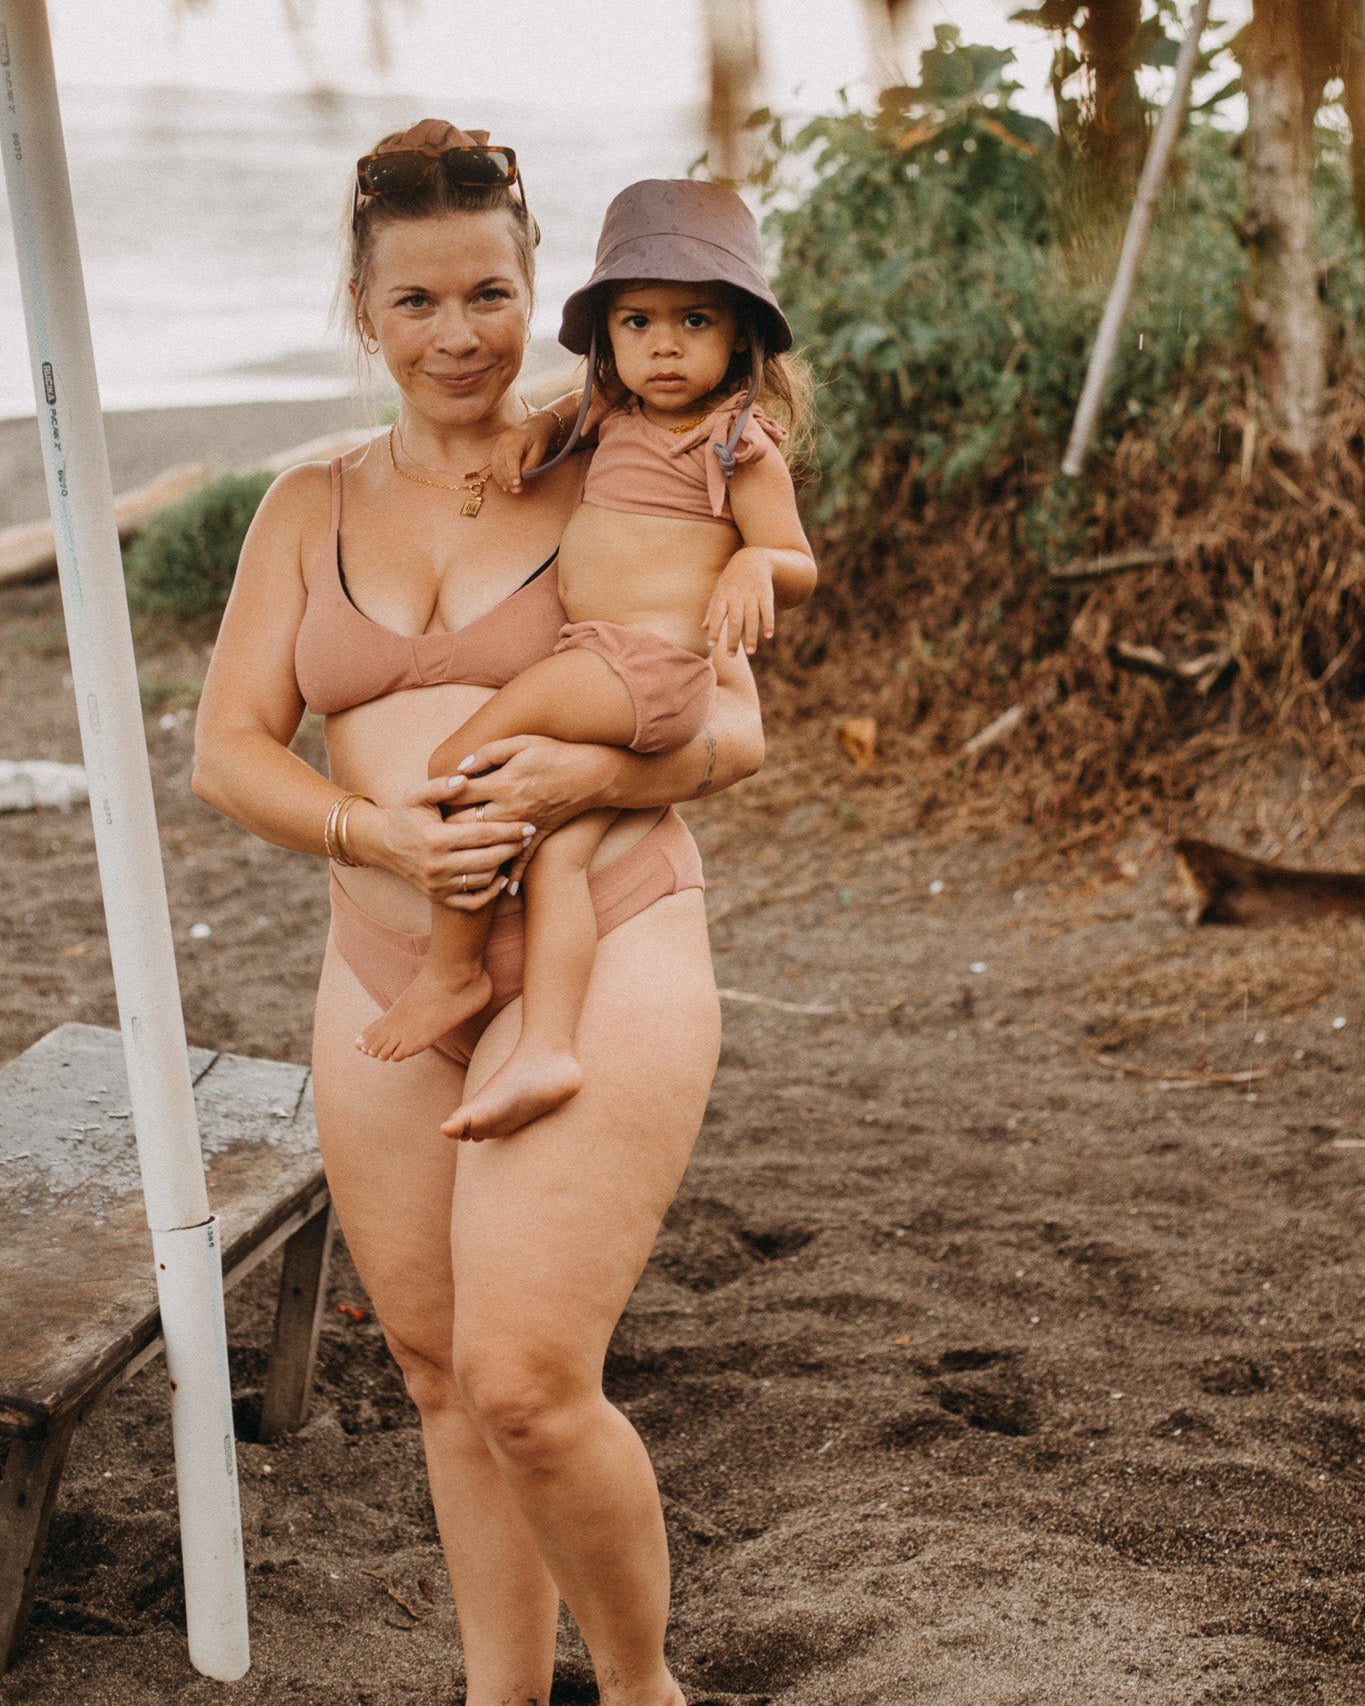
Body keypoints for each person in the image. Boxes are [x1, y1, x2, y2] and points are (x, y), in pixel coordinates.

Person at [192, 120, 774, 1706]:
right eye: (418, 304)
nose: (459, 336)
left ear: (542, 294)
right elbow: (228, 750)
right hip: (384, 953)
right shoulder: (301, 507)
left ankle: (645, 1688)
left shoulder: (622, 464)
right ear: (363, 313)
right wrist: (374, 825)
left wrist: (563, 794)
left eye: (492, 295)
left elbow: (730, 733)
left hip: (609, 930)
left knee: (527, 1379)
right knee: (441, 1374)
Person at [356, 177, 817, 1146]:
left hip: (639, 667)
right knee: (559, 852)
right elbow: (555, 424)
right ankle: (549, 1045)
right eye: (638, 321)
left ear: (741, 336)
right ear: (606, 335)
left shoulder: (737, 444)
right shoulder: (610, 412)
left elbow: (797, 559)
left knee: (457, 764)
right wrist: (531, 431)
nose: (664, 344)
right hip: (606, 664)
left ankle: (452, 967)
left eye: (695, 320)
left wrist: (751, 561)